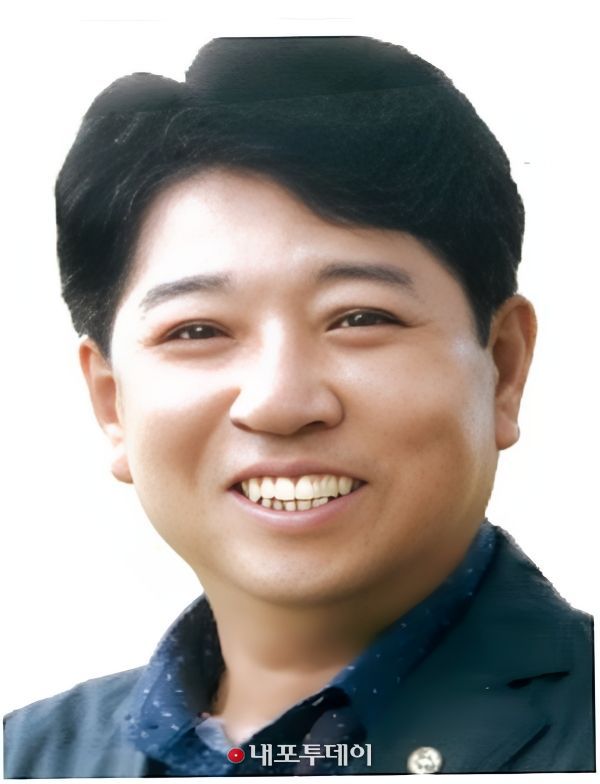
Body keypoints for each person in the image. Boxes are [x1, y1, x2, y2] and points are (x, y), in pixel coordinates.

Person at [3, 35, 594, 777]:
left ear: (503, 366)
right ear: (112, 402)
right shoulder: (25, 758)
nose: (281, 402)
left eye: (359, 317)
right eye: (198, 330)